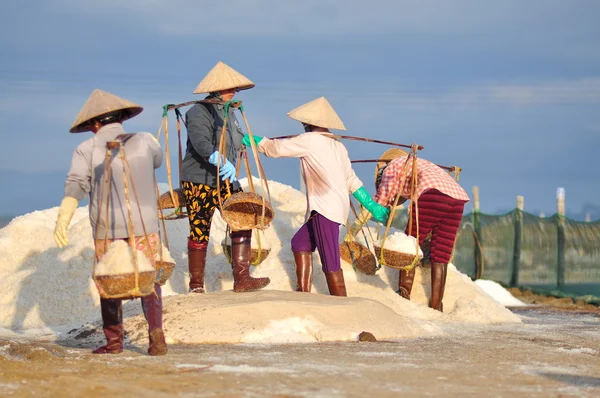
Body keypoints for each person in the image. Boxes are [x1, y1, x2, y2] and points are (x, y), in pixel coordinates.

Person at [54, 89, 167, 355]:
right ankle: (156, 336)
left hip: (107, 227)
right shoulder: (146, 140)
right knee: (148, 278)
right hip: (145, 223)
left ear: (93, 123)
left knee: (110, 278)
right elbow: (158, 162)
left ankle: (114, 342)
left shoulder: (86, 148)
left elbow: (77, 184)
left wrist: (64, 215)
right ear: (121, 117)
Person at [242, 97, 389, 296]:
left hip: (325, 207)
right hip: (328, 207)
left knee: (330, 260)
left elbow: (277, 149)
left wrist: (254, 141)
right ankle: (303, 292)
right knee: (300, 243)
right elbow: (352, 180)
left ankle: (342, 303)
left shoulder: (310, 140)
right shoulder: (339, 147)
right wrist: (370, 205)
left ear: (309, 123)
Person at [182, 61, 270, 293]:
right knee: (200, 227)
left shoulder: (230, 113)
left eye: (235, 88)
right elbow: (201, 142)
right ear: (215, 89)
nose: (233, 92)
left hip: (226, 180)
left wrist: (254, 141)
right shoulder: (198, 111)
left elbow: (236, 139)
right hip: (199, 180)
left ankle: (242, 278)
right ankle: (196, 285)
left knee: (242, 218)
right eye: (228, 88)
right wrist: (216, 158)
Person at [349, 149, 469, 311]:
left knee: (410, 243)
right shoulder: (421, 164)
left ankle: (404, 295)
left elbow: (377, 202)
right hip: (458, 199)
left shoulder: (390, 170)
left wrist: (354, 229)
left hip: (431, 194)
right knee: (441, 254)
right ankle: (436, 305)